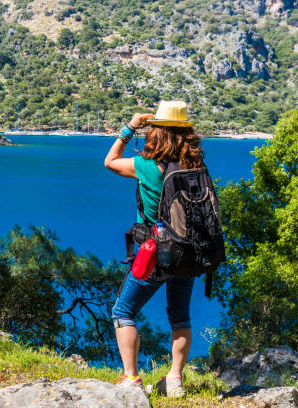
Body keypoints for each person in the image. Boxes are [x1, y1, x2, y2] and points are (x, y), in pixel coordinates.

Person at [103, 100, 205, 398]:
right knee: (180, 317)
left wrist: (129, 129)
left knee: (123, 311)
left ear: (156, 132)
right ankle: (174, 379)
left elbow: (110, 161)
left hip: (154, 254)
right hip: (187, 253)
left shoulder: (145, 166)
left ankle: (132, 378)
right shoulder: (195, 165)